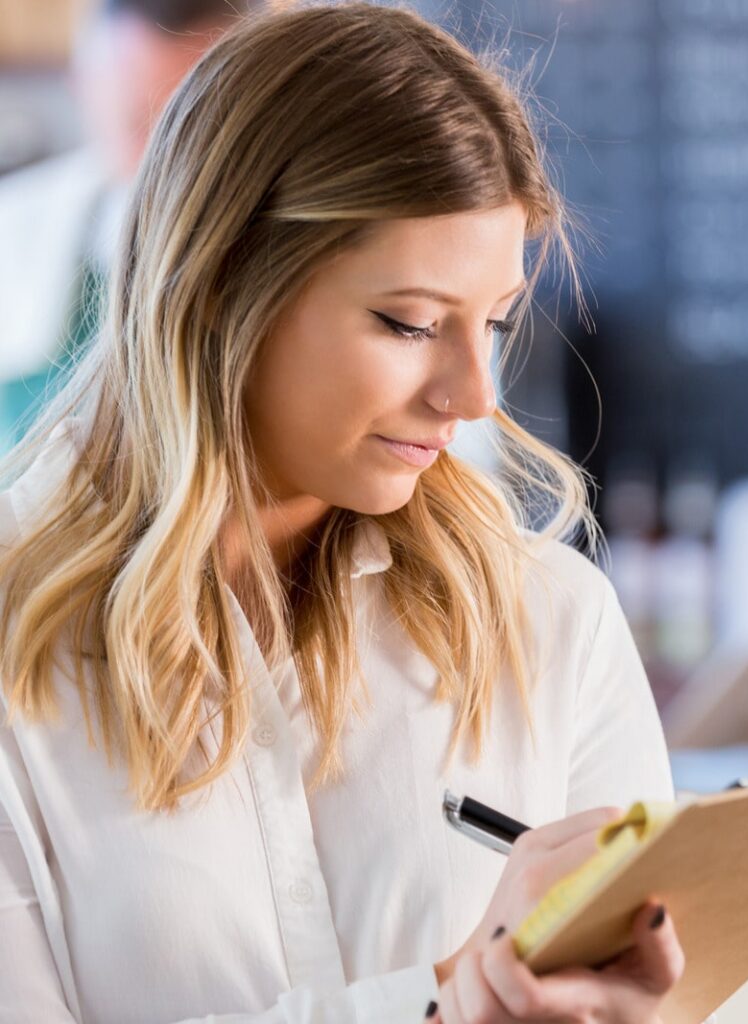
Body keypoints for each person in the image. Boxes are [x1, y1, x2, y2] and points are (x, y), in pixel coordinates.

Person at [0, 4, 697, 1022]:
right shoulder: (21, 643)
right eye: (409, 322)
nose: (471, 396)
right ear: (223, 285)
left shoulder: (552, 620)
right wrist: (446, 1004)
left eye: (491, 323)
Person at [0, 0, 260, 451]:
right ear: (83, 86)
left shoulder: (283, 247)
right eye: (139, 127)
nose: (159, 164)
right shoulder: (17, 226)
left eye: (193, 129)